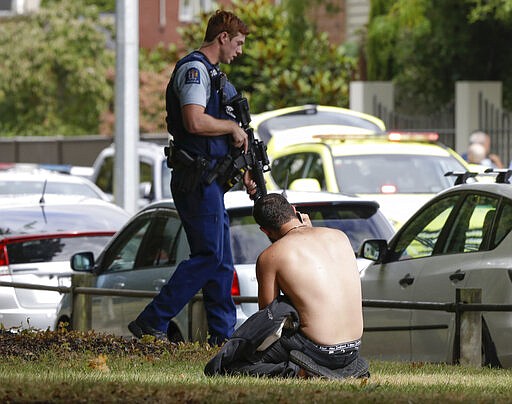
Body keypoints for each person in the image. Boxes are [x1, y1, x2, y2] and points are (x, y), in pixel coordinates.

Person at [128, 10, 251, 345]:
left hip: (209, 180)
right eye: (238, 43)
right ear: (223, 37)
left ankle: (222, 337)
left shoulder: (215, 76)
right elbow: (195, 122)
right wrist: (231, 127)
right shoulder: (195, 70)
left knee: (222, 261)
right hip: (195, 179)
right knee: (209, 255)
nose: (239, 51)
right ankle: (152, 321)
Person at [205, 193, 369, 379]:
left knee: (231, 366)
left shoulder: (271, 256)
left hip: (318, 350)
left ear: (265, 231)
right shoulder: (339, 237)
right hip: (353, 349)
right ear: (293, 210)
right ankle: (340, 370)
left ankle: (298, 372)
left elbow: (268, 317)